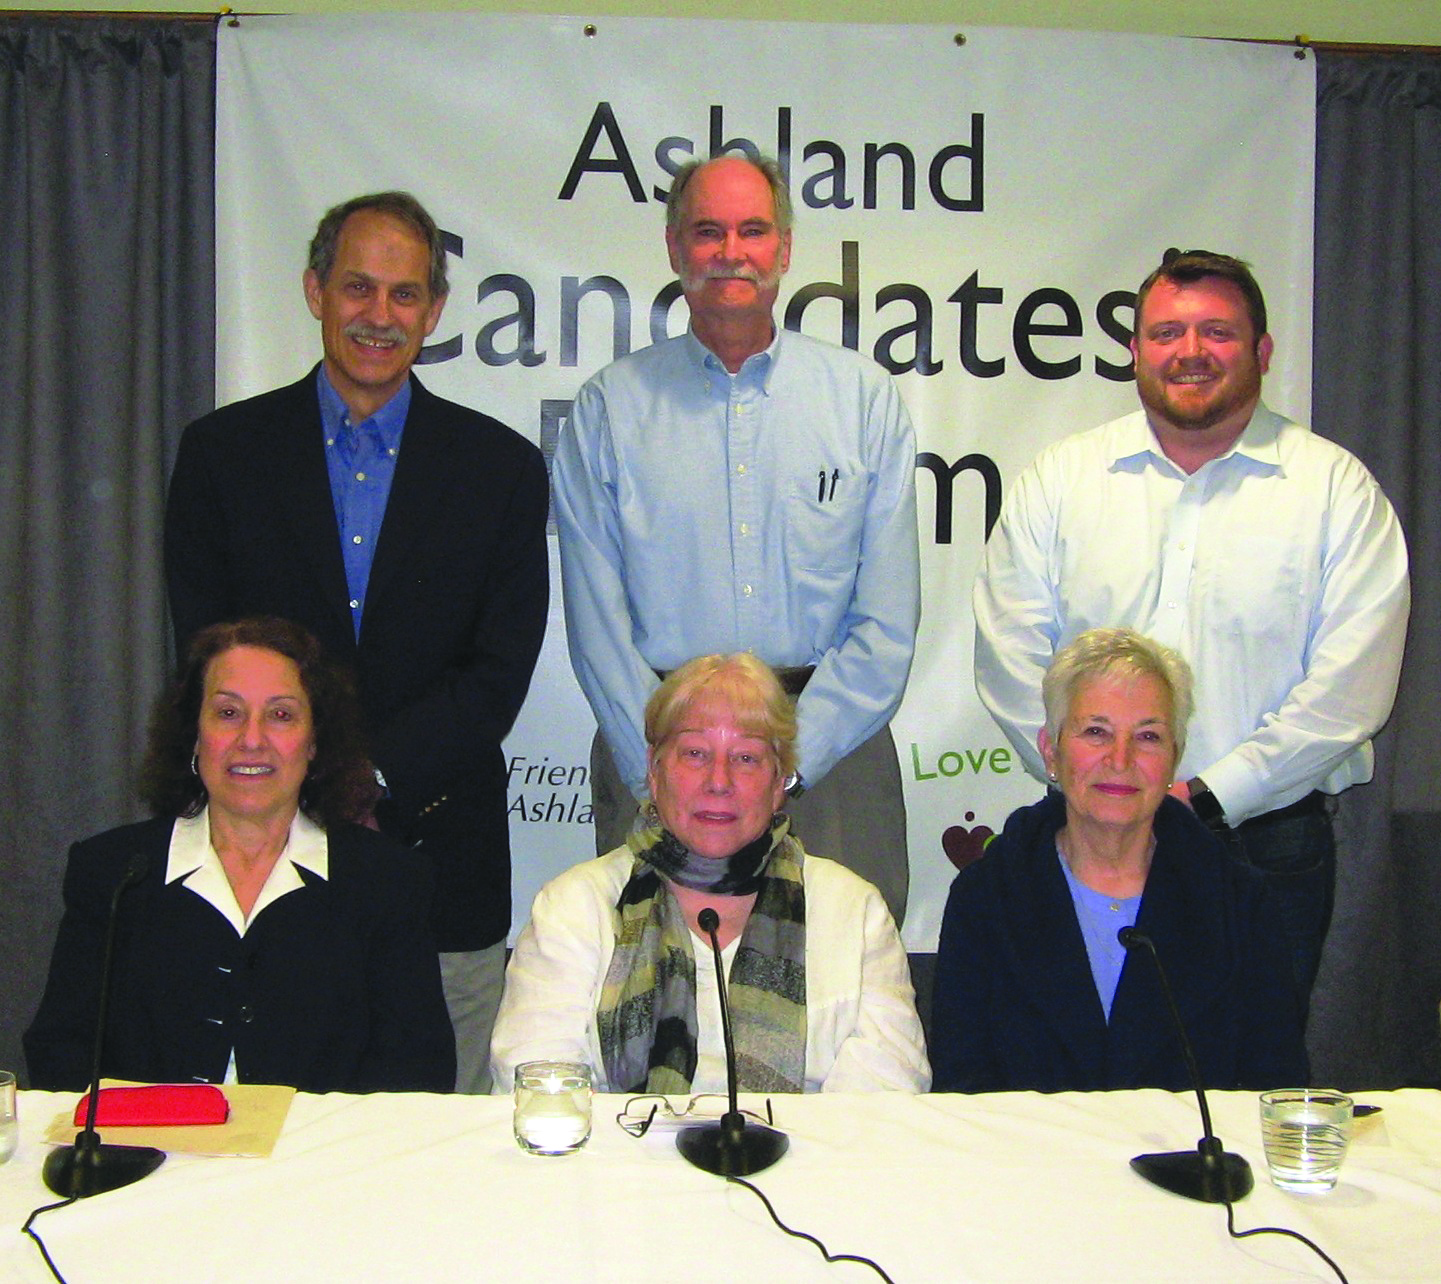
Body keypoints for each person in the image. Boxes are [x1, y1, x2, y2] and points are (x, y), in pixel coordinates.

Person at [164, 192, 549, 1092]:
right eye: (358, 288)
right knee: (271, 1127)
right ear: (314, 291)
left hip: (442, 863)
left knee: (444, 1143)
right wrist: (312, 777)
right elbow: (207, 656)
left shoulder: (500, 468)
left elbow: (496, 676)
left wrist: (367, 773)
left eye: (405, 294)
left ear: (436, 311)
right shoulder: (223, 455)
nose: (380, 316)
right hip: (258, 849)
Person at [973, 248, 1409, 1000]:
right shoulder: (1062, 482)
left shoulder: (1336, 492)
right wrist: (1097, 781)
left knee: (1245, 1082)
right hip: (1083, 832)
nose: (1192, 353)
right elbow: (1012, 660)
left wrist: (1207, 796)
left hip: (1264, 847)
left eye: (1218, 333)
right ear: (1136, 350)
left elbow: (1348, 694)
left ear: (1262, 352)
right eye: (1168, 334)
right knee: (1075, 1079)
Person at [553, 154, 920, 922]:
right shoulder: (609, 411)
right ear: (674, 247)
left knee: (843, 1015)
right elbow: (595, 629)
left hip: (833, 764)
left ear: (784, 249)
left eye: (753, 231)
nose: (731, 251)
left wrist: (782, 764)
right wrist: (675, 767)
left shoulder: (863, 404)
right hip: (654, 760)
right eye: (708, 231)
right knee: (658, 1023)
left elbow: (885, 628)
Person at [25, 617, 455, 1095]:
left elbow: (419, 1070)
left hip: (326, 1163)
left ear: (314, 742)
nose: (252, 740)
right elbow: (60, 1058)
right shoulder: (114, 872)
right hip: (150, 1160)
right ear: (194, 734)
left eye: (281, 715)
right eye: (228, 714)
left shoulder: (388, 880)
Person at [490, 653, 929, 1094]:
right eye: (695, 753)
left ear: (779, 782)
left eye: (746, 757)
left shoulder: (855, 910)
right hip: (619, 1158)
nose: (719, 781)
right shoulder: (573, 907)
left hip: (808, 1159)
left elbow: (886, 1096)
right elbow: (535, 1085)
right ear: (654, 770)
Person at [933, 629, 1307, 1094]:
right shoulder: (986, 898)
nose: (1121, 759)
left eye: (1148, 736)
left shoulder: (1241, 904)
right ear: (1050, 750)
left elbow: (1274, 1089)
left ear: (1174, 757)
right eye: (1096, 732)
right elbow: (960, 1089)